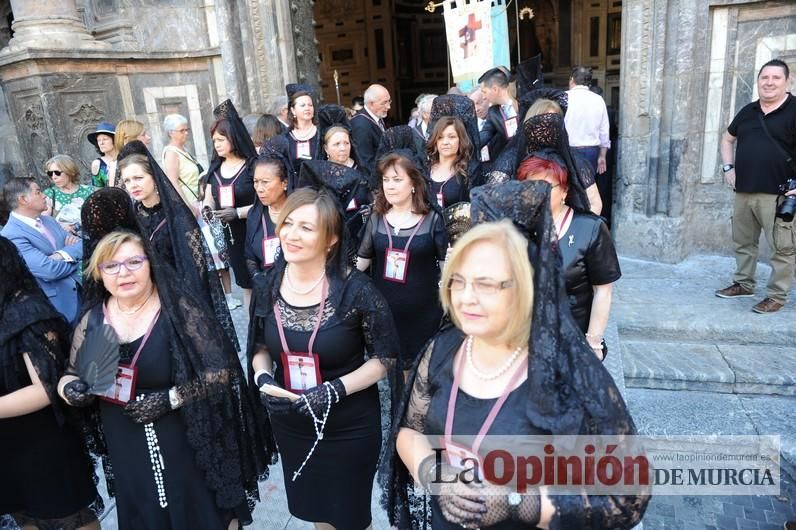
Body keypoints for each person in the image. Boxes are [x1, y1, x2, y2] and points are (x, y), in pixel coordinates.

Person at [382, 180, 650, 529]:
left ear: (525, 287)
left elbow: (627, 496)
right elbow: (408, 431)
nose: (466, 298)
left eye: (486, 284)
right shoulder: (442, 350)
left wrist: (517, 502)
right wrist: (433, 471)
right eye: (458, 281)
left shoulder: (565, 370)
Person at [59, 224, 270, 529]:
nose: (124, 273)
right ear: (99, 273)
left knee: (202, 513)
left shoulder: (178, 310)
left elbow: (221, 372)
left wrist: (170, 398)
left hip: (185, 436)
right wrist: (71, 390)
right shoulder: (95, 318)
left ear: (150, 264)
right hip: (125, 440)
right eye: (112, 266)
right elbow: (71, 374)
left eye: (134, 262)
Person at [249, 187, 399, 530]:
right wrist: (264, 379)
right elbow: (258, 345)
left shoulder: (356, 290)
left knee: (349, 518)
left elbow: (385, 356)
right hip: (293, 419)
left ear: (331, 239)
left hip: (348, 422)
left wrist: (334, 390)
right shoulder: (267, 286)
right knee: (318, 512)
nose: (291, 234)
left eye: (306, 227)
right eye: (288, 223)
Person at [0, 236, 100, 530]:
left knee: (65, 518)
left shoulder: (26, 310)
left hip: (42, 443)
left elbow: (45, 388)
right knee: (24, 516)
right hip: (7, 446)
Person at [117, 141, 239, 350]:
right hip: (147, 303)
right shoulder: (130, 218)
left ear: (154, 178)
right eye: (127, 180)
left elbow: (197, 269)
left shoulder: (177, 216)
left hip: (181, 303)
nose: (133, 185)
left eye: (138, 178)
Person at [517, 147, 620, 360]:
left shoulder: (590, 229)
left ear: (564, 191)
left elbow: (603, 291)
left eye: (546, 186)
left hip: (573, 343)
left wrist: (593, 342)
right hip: (525, 343)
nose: (537, 193)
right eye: (530, 186)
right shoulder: (518, 228)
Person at [716, 58, 796, 314]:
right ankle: (743, 284)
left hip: (779, 195)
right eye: (765, 78)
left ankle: (776, 296)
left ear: (787, 81)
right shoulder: (748, 111)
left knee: (781, 249)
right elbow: (727, 139)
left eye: (776, 78)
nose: (769, 82)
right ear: (758, 81)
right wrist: (729, 168)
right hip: (744, 191)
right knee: (743, 243)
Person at [357, 152, 448, 372]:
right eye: (386, 180)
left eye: (397, 180)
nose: (390, 186)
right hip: (386, 314)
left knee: (419, 379)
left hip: (423, 315)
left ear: (414, 184)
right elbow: (361, 263)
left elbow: (447, 270)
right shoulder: (376, 217)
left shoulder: (432, 219)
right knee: (392, 374)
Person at [1, 178, 83, 323]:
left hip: (82, 291)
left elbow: (82, 245)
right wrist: (73, 257)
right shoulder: (11, 234)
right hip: (57, 307)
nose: (45, 195)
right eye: (38, 192)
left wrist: (60, 254)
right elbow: (48, 270)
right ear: (23, 199)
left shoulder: (49, 220)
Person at [205, 100, 258, 311]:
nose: (216, 144)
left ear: (233, 138)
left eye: (221, 139)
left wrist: (237, 212)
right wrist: (208, 209)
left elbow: (268, 203)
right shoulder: (215, 169)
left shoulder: (253, 165)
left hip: (256, 231)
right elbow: (209, 198)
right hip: (232, 236)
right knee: (246, 286)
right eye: (214, 140)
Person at [526, 97, 603, 215]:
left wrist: (579, 229)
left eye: (553, 123)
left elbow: (595, 203)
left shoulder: (576, 161)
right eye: (543, 121)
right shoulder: (514, 157)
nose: (547, 129)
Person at [245, 152, 289, 278]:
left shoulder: (299, 214)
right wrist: (258, 278)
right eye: (256, 182)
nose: (259, 188)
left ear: (284, 183)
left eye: (265, 182)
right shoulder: (254, 215)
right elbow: (250, 257)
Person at [564, 66, 610, 177]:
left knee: (568, 191)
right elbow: (604, 131)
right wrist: (602, 156)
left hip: (568, 152)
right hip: (591, 152)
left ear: (572, 80)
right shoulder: (598, 100)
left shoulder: (563, 97)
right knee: (588, 189)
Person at [427, 116, 472, 208]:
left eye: (451, 137)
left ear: (460, 140)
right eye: (440, 137)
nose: (445, 142)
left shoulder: (468, 173)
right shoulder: (425, 170)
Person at [43, 154, 95, 233]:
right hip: (66, 239)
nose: (54, 177)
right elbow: (44, 221)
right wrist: (60, 227)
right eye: (50, 173)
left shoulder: (89, 191)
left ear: (70, 171)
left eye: (57, 173)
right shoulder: (49, 194)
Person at [478, 67, 519, 164]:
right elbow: (484, 135)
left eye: (484, 92)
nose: (483, 97)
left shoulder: (524, 102)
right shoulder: (493, 112)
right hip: (509, 161)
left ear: (495, 89)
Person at [351, 83, 391, 178]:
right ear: (371, 104)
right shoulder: (360, 124)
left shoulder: (377, 117)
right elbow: (365, 161)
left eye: (389, 101)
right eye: (384, 103)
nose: (388, 106)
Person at [162, 113, 203, 205]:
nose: (186, 133)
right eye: (182, 130)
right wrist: (189, 207)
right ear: (171, 133)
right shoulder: (171, 153)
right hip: (190, 204)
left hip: (197, 201)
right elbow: (173, 183)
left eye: (186, 129)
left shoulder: (182, 149)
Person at [285, 83, 319, 172]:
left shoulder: (322, 133)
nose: (307, 108)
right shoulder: (286, 137)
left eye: (310, 105)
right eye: (302, 105)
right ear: (293, 110)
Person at [88, 121, 118, 188]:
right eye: (98, 140)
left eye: (105, 139)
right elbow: (97, 190)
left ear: (114, 140)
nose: (101, 143)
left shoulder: (125, 158)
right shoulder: (97, 164)